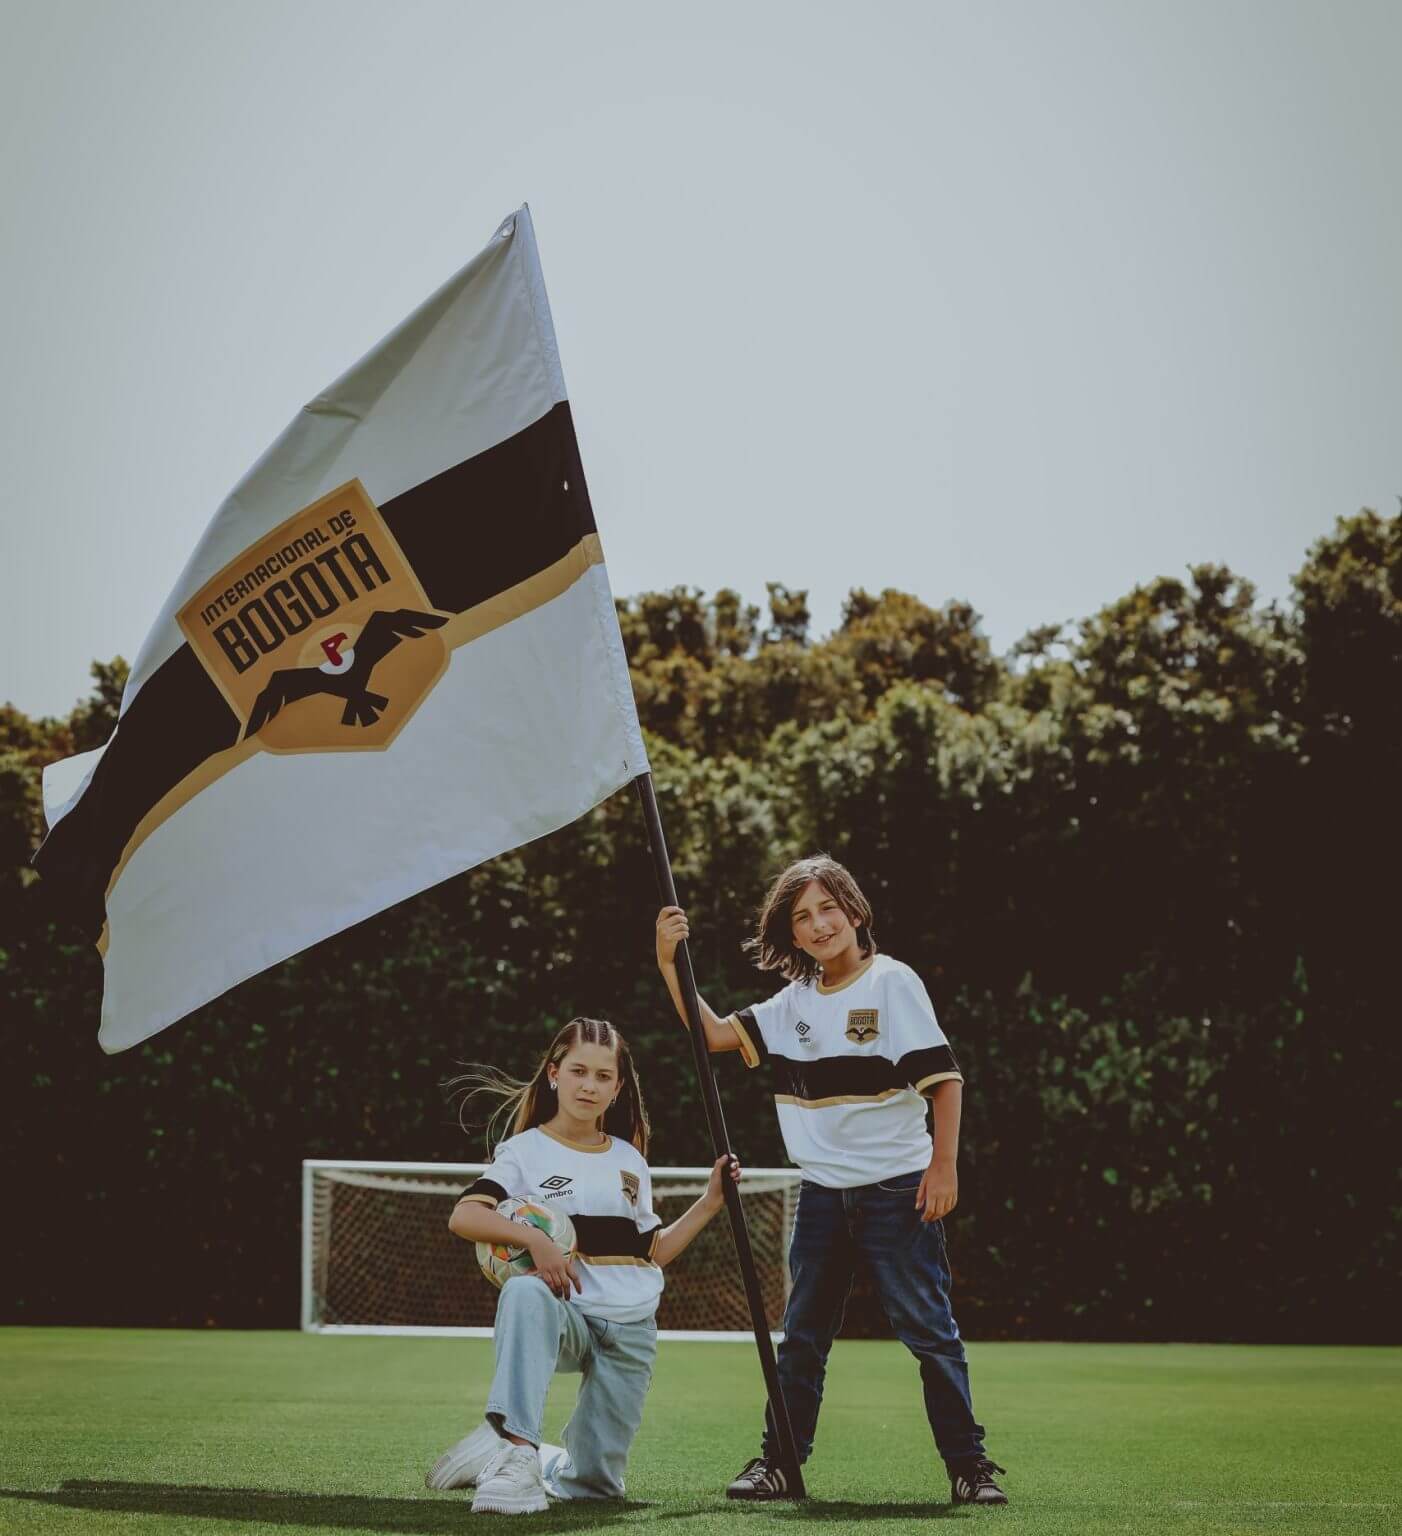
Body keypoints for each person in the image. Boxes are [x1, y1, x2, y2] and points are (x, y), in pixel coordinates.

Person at [655, 855, 1007, 1506]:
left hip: (898, 1192)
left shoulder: (894, 983)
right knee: (803, 1339)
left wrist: (944, 1165)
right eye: (802, 917)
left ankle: (970, 1468)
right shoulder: (792, 1005)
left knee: (928, 1332)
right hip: (820, 1195)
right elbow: (710, 1037)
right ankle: (781, 1466)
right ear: (791, 936)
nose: (818, 924)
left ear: (854, 909)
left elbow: (945, 1080)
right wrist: (668, 961)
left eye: (827, 908)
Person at [426, 1015, 739, 1515]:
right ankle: (517, 1451)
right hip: (568, 1314)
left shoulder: (629, 1160)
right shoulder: (524, 1151)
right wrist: (536, 1241)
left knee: (595, 1486)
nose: (588, 1086)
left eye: (602, 1076)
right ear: (554, 1074)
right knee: (525, 1291)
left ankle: (505, 1453)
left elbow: (651, 1251)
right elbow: (464, 1216)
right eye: (578, 1071)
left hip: (631, 1326)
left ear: (617, 1089)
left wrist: (709, 1202)